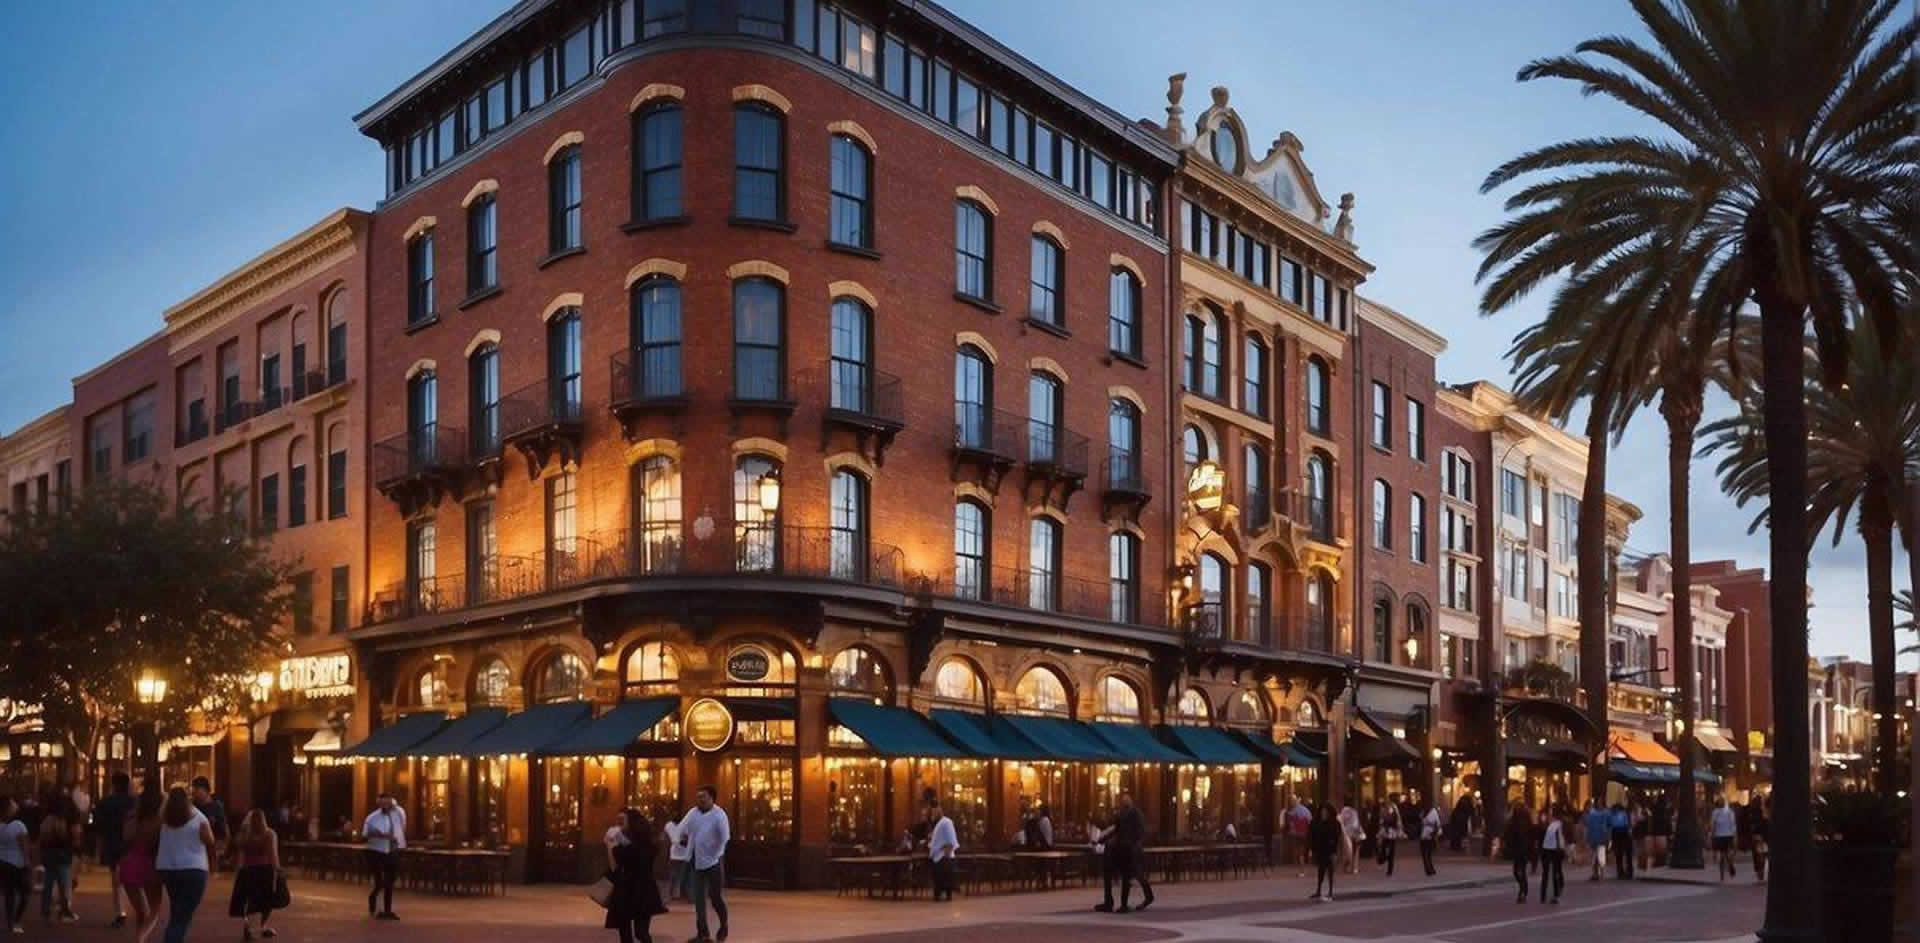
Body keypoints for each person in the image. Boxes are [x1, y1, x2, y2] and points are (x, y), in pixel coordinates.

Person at [155, 787, 215, 943]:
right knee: (182, 917)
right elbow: (210, 840)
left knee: (177, 911)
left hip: (168, 869)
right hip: (194, 869)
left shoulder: (164, 817)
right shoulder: (199, 817)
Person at [605, 808, 666, 943]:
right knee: (635, 933)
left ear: (631, 822)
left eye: (621, 820)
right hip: (637, 890)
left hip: (634, 891)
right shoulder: (645, 843)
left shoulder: (636, 845)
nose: (618, 824)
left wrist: (610, 845)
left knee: (635, 933)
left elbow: (615, 866)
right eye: (617, 820)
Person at [679, 786, 729, 943]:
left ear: (712, 798)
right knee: (699, 900)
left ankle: (723, 925)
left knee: (715, 898)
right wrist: (681, 837)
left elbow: (725, 838)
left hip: (714, 862)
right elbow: (682, 828)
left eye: (703, 797)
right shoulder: (694, 812)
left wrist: (716, 854)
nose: (700, 800)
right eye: (698, 797)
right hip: (697, 861)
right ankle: (703, 933)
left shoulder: (719, 815)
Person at [1092, 792, 1151, 914]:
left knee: (1131, 874)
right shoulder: (1122, 814)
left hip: (1129, 849)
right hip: (1123, 848)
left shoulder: (1134, 814)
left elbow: (1139, 832)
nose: (1124, 802)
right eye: (1123, 800)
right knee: (1128, 874)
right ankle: (1114, 903)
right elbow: (1114, 828)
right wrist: (1100, 840)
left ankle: (1123, 903)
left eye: (1126, 800)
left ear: (1131, 801)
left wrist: (1136, 846)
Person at [227, 808, 280, 940]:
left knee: (248, 901)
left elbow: (239, 852)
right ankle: (262, 926)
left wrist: (238, 869)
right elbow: (273, 855)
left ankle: (248, 926)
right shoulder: (269, 834)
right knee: (267, 900)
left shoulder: (245, 835)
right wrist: (278, 870)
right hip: (264, 870)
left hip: (247, 870)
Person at [120, 786, 164, 943]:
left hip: (130, 863)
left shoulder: (133, 818)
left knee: (141, 912)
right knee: (154, 911)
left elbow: (126, 837)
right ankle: (141, 938)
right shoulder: (159, 822)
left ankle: (142, 938)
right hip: (150, 865)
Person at [95, 773, 134, 928]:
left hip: (112, 844)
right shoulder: (134, 802)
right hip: (131, 844)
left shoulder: (105, 803)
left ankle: (120, 912)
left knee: (116, 879)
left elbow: (99, 825)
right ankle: (137, 908)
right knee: (133, 877)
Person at [362, 792, 405, 920]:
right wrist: (379, 835)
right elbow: (364, 834)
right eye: (383, 802)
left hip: (392, 851)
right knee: (380, 882)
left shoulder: (397, 815)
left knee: (390, 882)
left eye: (388, 802)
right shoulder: (372, 817)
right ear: (378, 803)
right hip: (376, 851)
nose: (386, 805)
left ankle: (387, 911)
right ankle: (374, 898)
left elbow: (401, 829)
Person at [37, 797, 79, 922]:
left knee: (48, 883)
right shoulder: (61, 820)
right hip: (62, 854)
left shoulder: (47, 820)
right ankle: (64, 911)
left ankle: (45, 911)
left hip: (49, 855)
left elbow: (43, 838)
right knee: (64, 884)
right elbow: (64, 836)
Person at [0, 797, 30, 936]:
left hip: (3, 862)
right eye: (13, 803)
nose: (15, 805)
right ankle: (16, 920)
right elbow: (24, 845)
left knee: (9, 894)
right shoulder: (18, 825)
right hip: (17, 863)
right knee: (25, 893)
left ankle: (10, 922)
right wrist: (27, 862)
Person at [189, 778, 228, 865]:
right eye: (193, 791)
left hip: (212, 846)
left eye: (196, 791)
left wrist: (221, 847)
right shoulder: (192, 806)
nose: (193, 794)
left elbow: (223, 828)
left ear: (205, 790)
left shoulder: (216, 806)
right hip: (195, 847)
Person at [926, 798, 958, 902]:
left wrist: (946, 855)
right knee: (938, 881)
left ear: (940, 809)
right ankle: (939, 895)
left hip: (944, 857)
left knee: (944, 880)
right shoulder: (938, 823)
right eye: (932, 810)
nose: (934, 812)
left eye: (936, 809)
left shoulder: (947, 822)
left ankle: (946, 896)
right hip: (938, 857)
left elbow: (951, 840)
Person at [1308, 803, 1341, 902]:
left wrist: (1334, 849)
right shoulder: (1316, 822)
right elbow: (1312, 835)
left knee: (1330, 871)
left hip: (1330, 850)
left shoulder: (1334, 823)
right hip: (1320, 850)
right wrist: (1312, 849)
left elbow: (1336, 837)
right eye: (1323, 812)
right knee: (1320, 870)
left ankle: (1330, 891)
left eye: (1326, 812)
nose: (1324, 814)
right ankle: (1318, 890)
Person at [1502, 805, 1534, 904]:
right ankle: (1523, 890)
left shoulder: (1526, 825)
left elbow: (1531, 838)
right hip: (1519, 851)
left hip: (1522, 850)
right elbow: (1507, 835)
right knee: (1517, 871)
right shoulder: (1513, 824)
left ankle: (1523, 892)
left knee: (1519, 871)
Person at [1538, 805, 1567, 904]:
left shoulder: (1554, 824)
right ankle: (1548, 895)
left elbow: (1559, 837)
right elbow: (1559, 837)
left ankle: (1549, 895)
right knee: (1550, 873)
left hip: (1551, 849)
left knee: (1551, 873)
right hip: (1551, 849)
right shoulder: (1552, 824)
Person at [1709, 796, 1737, 880]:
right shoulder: (1730, 812)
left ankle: (1722, 876)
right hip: (1729, 835)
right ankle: (1730, 863)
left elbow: (1713, 825)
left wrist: (1712, 835)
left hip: (1719, 836)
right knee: (1727, 853)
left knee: (1722, 854)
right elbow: (1733, 824)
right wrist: (1735, 835)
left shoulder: (1715, 812)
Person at [1581, 799, 1609, 881]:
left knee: (1595, 856)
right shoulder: (1603, 814)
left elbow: (1586, 825)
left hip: (1593, 838)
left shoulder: (1589, 815)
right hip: (1600, 837)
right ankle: (1600, 873)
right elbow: (1605, 827)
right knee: (1600, 856)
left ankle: (1595, 873)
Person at [1608, 802, 1633, 879]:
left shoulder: (1613, 814)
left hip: (1617, 833)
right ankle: (1628, 871)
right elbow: (1628, 824)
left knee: (1619, 854)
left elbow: (1610, 824)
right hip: (1623, 833)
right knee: (1626, 854)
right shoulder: (1624, 813)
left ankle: (1621, 872)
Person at [1377, 797, 1401, 876]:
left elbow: (1396, 818)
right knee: (1384, 848)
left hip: (1391, 831)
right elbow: (1381, 819)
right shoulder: (1383, 808)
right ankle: (1384, 859)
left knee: (1390, 851)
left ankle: (1389, 869)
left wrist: (1398, 829)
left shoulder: (1392, 807)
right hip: (1386, 831)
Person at [1337, 800, 1362, 874]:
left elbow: (1340, 820)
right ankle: (1354, 868)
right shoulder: (1353, 811)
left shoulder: (1345, 811)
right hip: (1354, 833)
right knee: (1355, 851)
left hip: (1348, 834)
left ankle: (1349, 866)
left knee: (1349, 851)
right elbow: (1357, 823)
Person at [1418, 799, 1441, 876]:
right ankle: (1428, 869)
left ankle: (1429, 869)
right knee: (1425, 854)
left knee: (1427, 853)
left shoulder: (1433, 812)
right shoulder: (1423, 812)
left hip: (1429, 835)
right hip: (1424, 835)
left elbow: (1437, 824)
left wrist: (1434, 834)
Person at [1750, 794, 1769, 882]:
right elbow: (1766, 824)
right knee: (1763, 854)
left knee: (1757, 854)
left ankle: (1759, 872)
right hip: (1762, 836)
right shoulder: (1763, 812)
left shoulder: (1752, 813)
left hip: (1755, 836)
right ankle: (1761, 872)